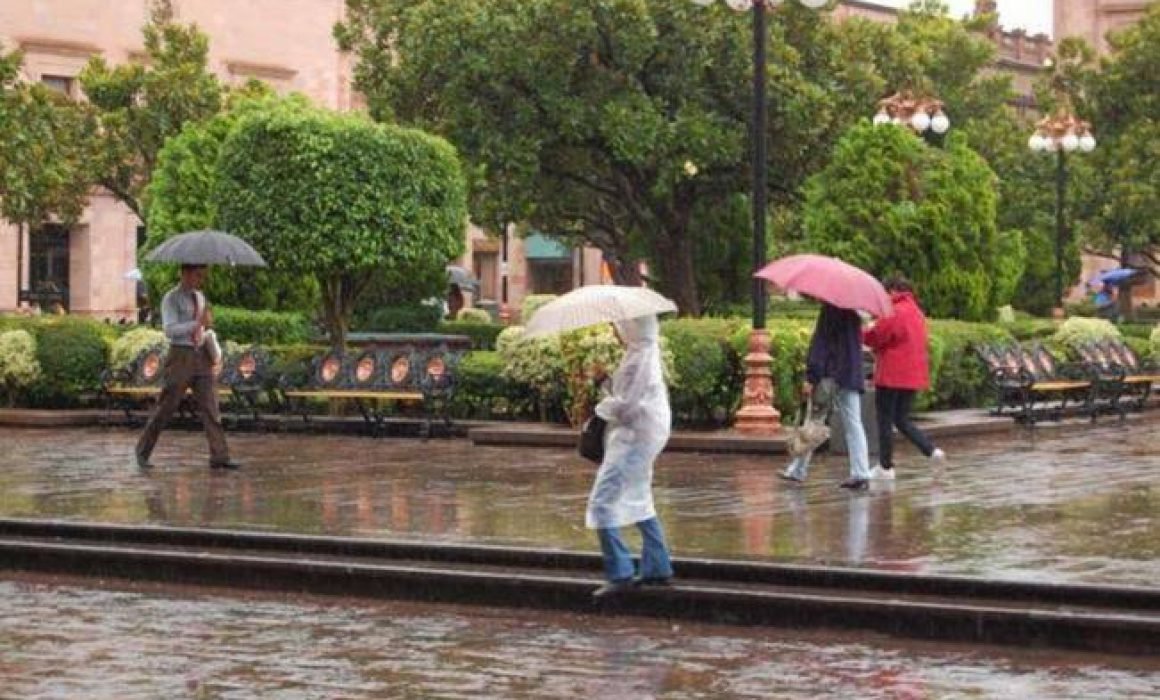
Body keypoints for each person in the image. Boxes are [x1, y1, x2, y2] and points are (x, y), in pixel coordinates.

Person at [588, 315, 674, 599]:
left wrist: (603, 407)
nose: (615, 330)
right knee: (639, 496)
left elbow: (628, 407)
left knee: (602, 501)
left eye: (619, 324)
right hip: (640, 436)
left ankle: (620, 571)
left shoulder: (640, 359)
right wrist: (606, 384)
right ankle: (657, 567)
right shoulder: (640, 353)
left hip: (633, 438)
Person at [135, 264, 240, 470]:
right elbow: (170, 330)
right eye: (197, 276)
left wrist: (205, 327)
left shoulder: (200, 298)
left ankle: (220, 456)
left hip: (200, 353)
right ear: (185, 274)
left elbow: (203, 326)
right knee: (167, 405)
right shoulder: (171, 299)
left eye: (202, 276)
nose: (199, 280)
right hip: (180, 354)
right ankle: (143, 451)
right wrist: (196, 323)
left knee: (210, 405)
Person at [780, 303, 872, 490]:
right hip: (851, 374)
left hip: (829, 375)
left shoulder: (830, 309)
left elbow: (820, 344)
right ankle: (861, 472)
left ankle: (798, 470)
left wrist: (811, 377)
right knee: (854, 424)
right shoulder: (855, 312)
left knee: (814, 422)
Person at [862, 277, 945, 480]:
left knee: (884, 421)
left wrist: (862, 331)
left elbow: (878, 336)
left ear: (892, 291)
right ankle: (931, 450)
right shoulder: (916, 312)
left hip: (891, 375)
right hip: (912, 376)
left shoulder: (894, 310)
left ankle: (885, 467)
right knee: (901, 418)